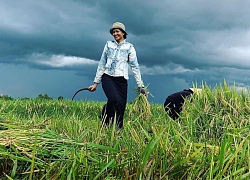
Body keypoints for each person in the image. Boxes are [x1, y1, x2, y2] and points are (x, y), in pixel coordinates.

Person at [88, 22, 145, 128]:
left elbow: (135, 66)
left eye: (117, 31)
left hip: (121, 80)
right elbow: (102, 63)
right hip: (108, 77)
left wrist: (140, 85)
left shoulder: (129, 47)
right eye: (113, 32)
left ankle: (118, 128)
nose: (115, 34)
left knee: (121, 105)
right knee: (114, 99)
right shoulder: (108, 45)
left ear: (123, 33)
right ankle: (104, 117)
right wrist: (95, 83)